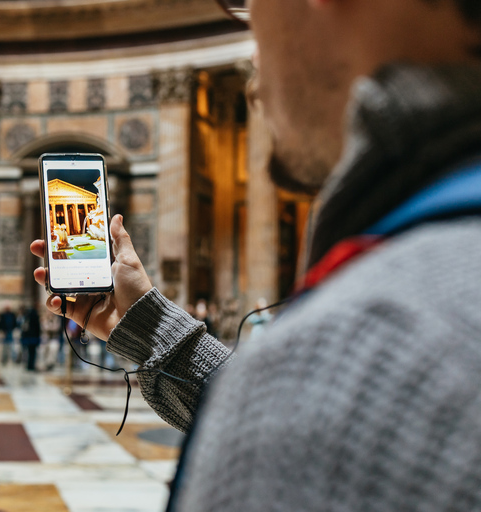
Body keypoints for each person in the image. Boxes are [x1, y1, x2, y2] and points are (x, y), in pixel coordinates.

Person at [31, 0, 481, 509]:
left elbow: (310, 417)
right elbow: (307, 411)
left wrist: (268, 390)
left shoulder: (368, 343)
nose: (251, 68)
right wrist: (149, 326)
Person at [20, 306, 41, 372]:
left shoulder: (27, 318)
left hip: (30, 337)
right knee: (32, 352)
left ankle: (30, 365)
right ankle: (30, 365)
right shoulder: (33, 318)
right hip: (33, 337)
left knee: (30, 352)